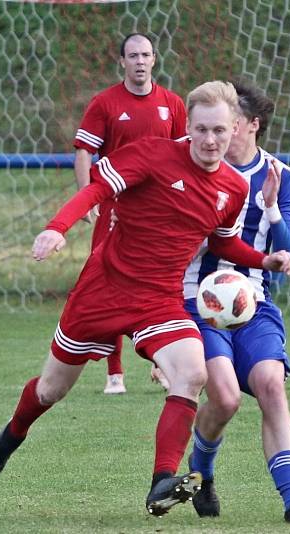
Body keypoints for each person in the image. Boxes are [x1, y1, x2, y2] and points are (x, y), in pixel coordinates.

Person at [0, 80, 290, 518]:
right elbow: (94, 192)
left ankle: (161, 482)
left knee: (191, 373)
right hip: (103, 290)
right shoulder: (151, 155)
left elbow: (223, 243)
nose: (210, 140)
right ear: (188, 125)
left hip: (160, 298)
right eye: (202, 129)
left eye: (220, 131)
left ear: (237, 128)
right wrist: (57, 227)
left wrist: (265, 260)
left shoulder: (232, 188)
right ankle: (14, 432)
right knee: (51, 389)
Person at [183, 79, 290, 525]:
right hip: (197, 305)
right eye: (210, 127)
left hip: (252, 304)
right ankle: (201, 473)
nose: (215, 135)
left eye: (228, 124)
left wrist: (273, 210)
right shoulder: (194, 171)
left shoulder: (279, 176)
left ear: (248, 126)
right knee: (224, 400)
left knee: (271, 384)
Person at [73, 32, 187, 394]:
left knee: (159, 280)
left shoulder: (172, 103)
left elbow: (186, 156)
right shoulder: (104, 103)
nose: (140, 61)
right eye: (133, 55)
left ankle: (163, 363)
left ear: (155, 60)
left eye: (146, 55)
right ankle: (114, 373)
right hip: (115, 205)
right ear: (121, 61)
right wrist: (86, 199)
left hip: (158, 209)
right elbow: (83, 153)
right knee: (108, 279)